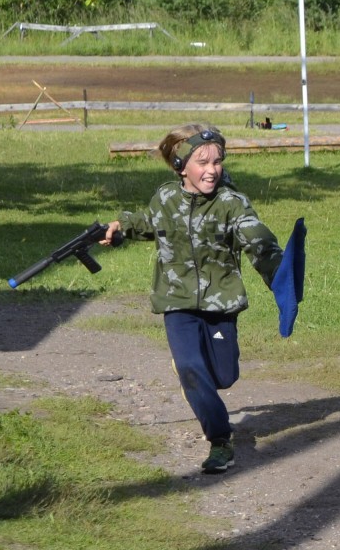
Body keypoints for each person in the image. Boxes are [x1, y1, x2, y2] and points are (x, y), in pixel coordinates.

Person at [101, 124, 285, 474]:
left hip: (221, 302)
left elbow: (257, 240)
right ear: (181, 165)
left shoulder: (231, 203)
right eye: (203, 162)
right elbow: (147, 223)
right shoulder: (166, 198)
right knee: (191, 368)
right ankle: (220, 440)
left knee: (223, 375)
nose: (212, 169)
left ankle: (198, 380)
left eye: (218, 161)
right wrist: (119, 227)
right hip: (177, 300)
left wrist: (280, 278)